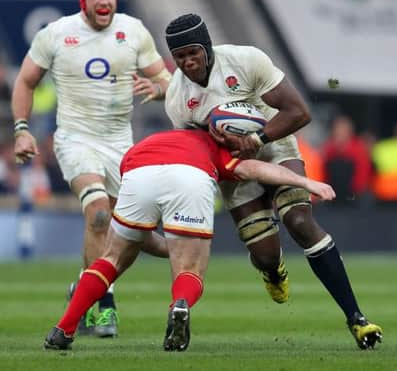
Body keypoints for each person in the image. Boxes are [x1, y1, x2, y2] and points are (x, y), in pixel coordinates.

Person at [163, 13, 382, 349]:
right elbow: (195, 150)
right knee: (264, 254)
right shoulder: (177, 98)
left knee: (299, 220)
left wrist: (257, 139)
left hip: (274, 144)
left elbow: (299, 111)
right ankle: (272, 269)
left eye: (193, 52)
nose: (188, 62)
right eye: (180, 57)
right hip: (234, 166)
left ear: (206, 47)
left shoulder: (246, 59)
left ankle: (357, 319)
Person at [43, 127, 336, 352]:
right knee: (190, 269)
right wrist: (306, 182)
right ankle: (180, 304)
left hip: (137, 172)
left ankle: (63, 329)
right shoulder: (215, 147)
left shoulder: (153, 140)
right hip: (191, 177)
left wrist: (171, 246)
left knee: (112, 258)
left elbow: (139, 237)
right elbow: (253, 169)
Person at [12, 0, 171, 338]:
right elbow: (26, 80)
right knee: (99, 213)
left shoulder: (132, 31)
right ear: (83, 0)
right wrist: (21, 130)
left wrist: (158, 88)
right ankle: (105, 303)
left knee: (129, 232)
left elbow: (165, 80)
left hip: (120, 143)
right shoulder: (56, 34)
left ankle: (84, 288)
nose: (104, 1)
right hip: (75, 139)